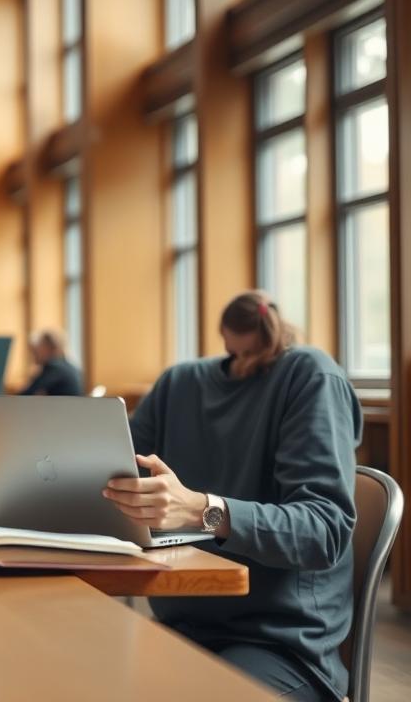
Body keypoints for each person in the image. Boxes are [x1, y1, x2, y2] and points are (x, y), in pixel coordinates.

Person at [105, 291, 358, 702]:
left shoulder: (311, 376)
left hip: (280, 644)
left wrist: (202, 510)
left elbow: (323, 531)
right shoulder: (178, 384)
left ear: (225, 333)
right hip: (182, 628)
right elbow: (107, 467)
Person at [19, 328, 83, 396]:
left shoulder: (54, 367)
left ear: (49, 348)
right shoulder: (72, 367)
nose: (33, 355)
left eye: (35, 350)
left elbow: (27, 393)